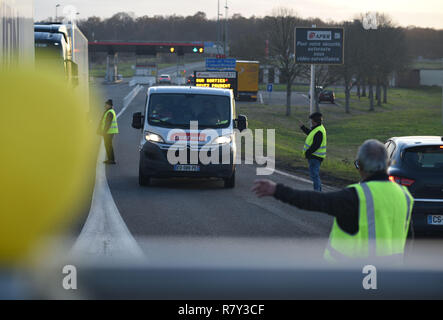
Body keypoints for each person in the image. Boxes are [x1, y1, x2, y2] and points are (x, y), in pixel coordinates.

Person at [252, 139, 414, 264]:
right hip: (391, 283)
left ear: (361, 166)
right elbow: (409, 240)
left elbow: (314, 200)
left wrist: (277, 190)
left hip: (352, 280)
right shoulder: (404, 196)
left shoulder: (357, 196)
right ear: (387, 165)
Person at [298, 112, 327, 192]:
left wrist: (308, 153)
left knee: (314, 175)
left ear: (315, 121)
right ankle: (319, 191)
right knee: (315, 175)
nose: (311, 122)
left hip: (315, 157)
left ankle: (317, 192)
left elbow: (316, 145)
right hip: (315, 157)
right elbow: (310, 133)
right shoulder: (318, 129)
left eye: (311, 121)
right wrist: (302, 127)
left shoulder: (319, 131)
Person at [98, 99, 119, 164]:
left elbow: (108, 123)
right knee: (108, 145)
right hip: (109, 132)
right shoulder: (109, 111)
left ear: (109, 105)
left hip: (109, 132)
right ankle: (110, 159)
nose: (105, 106)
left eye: (106, 104)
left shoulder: (109, 112)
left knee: (108, 145)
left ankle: (111, 160)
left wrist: (104, 131)